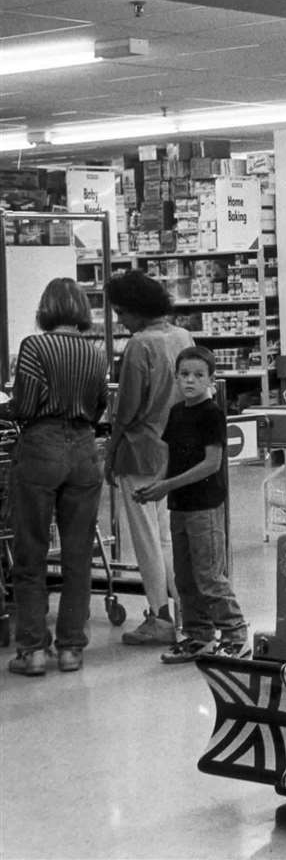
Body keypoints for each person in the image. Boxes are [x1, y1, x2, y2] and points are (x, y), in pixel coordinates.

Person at [1, 278, 110, 677]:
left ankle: (32, 651)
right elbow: (99, 404)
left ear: (45, 308)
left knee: (30, 552)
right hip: (84, 450)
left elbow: (25, 405)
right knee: (78, 555)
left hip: (41, 447)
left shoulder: (35, 346)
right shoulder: (96, 352)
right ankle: (70, 650)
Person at [133, 347, 250, 663]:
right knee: (184, 577)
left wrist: (167, 485)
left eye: (199, 375)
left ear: (212, 379)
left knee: (209, 575)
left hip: (205, 507)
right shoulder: (176, 412)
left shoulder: (212, 414)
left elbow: (212, 464)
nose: (190, 381)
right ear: (175, 377)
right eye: (184, 374)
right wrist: (156, 483)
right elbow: (170, 458)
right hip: (180, 505)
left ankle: (236, 635)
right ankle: (199, 635)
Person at [104, 268, 195, 646]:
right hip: (175, 449)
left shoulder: (139, 345)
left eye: (121, 312)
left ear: (137, 310)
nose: (119, 321)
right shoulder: (182, 336)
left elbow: (126, 410)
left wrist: (110, 453)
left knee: (144, 538)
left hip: (140, 452)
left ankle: (159, 616)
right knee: (165, 536)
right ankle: (182, 611)